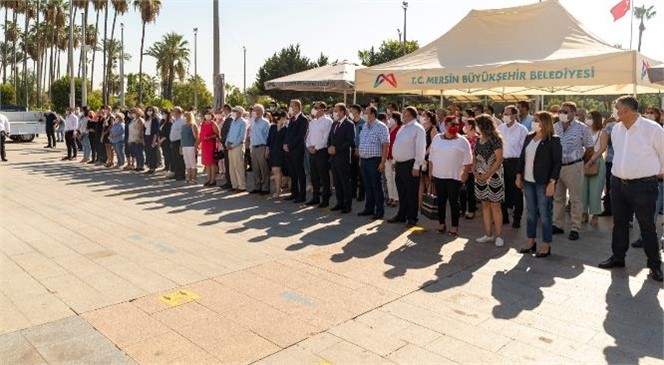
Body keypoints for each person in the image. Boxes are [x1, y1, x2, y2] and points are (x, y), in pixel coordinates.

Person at [598, 95, 664, 282]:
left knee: (646, 226)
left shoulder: (653, 129)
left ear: (627, 110)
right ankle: (618, 257)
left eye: (617, 108)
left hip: (644, 186)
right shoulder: (617, 129)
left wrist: (656, 172)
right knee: (619, 223)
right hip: (618, 183)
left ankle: (654, 265)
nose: (614, 111)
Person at [516, 111, 562, 258]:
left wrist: (552, 182)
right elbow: (522, 157)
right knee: (530, 213)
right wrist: (518, 175)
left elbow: (557, 163)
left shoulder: (553, 140)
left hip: (543, 182)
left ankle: (546, 243)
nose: (533, 122)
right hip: (528, 181)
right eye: (533, 120)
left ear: (545, 122)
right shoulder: (529, 137)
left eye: (537, 120)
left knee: (545, 214)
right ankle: (531, 241)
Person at [552, 102, 595, 241]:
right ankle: (557, 225)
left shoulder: (582, 128)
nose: (562, 113)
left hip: (574, 166)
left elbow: (589, 148)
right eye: (561, 111)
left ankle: (574, 227)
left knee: (576, 198)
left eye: (566, 111)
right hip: (557, 166)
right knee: (558, 197)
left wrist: (581, 162)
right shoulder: (555, 126)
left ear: (573, 113)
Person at [429, 116, 472, 236]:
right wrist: (430, 173)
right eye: (450, 124)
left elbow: (468, 160)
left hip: (454, 176)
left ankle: (454, 226)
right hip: (438, 175)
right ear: (446, 125)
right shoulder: (437, 138)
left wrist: (465, 174)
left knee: (454, 202)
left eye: (455, 124)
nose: (453, 127)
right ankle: (441, 223)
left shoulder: (463, 141)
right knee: (441, 201)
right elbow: (431, 157)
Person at [389, 107, 426, 227]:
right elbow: (396, 144)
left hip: (410, 164)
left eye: (404, 114)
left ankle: (412, 217)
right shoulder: (403, 128)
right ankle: (401, 214)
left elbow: (420, 148)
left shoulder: (418, 128)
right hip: (400, 164)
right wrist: (395, 160)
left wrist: (417, 166)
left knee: (411, 193)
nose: (402, 116)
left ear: (409, 115)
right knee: (402, 192)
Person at [474, 114, 506, 247]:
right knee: (485, 205)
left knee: (495, 206)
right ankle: (488, 234)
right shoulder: (479, 139)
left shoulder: (495, 139)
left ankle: (499, 236)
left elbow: (499, 160)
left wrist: (487, 174)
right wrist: (475, 170)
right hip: (480, 176)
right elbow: (475, 156)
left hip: (494, 177)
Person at [498, 105, 529, 228]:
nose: (504, 116)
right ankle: (504, 216)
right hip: (501, 162)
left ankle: (517, 218)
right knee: (501, 190)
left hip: (515, 162)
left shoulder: (522, 130)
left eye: (507, 114)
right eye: (504, 113)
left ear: (514, 115)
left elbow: (524, 149)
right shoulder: (500, 127)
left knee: (516, 191)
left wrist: (521, 168)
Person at [357, 106, 390, 220]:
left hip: (375, 160)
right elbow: (362, 143)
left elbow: (385, 145)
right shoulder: (365, 126)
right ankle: (369, 208)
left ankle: (379, 210)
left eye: (366, 113)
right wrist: (361, 159)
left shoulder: (381, 126)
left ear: (372, 114)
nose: (364, 114)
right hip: (365, 160)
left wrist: (382, 162)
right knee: (367, 186)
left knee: (376, 186)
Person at [328, 103, 356, 214]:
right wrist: (329, 147)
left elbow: (350, 141)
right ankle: (339, 202)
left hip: (343, 157)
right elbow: (330, 137)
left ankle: (347, 205)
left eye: (336, 111)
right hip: (333, 157)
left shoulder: (349, 124)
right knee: (337, 182)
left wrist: (337, 149)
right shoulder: (334, 123)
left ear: (343, 112)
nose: (334, 113)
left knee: (345, 182)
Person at [582, 111, 608, 225]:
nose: (587, 119)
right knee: (583, 190)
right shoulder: (584, 132)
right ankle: (584, 213)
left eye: (590, 117)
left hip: (596, 161)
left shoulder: (602, 132)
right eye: (587, 117)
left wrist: (591, 160)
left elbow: (602, 149)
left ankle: (595, 214)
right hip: (583, 160)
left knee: (595, 190)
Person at [306, 102, 333, 207]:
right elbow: (308, 136)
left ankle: (325, 199)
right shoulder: (312, 122)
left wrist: (316, 148)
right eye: (313, 107)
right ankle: (315, 197)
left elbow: (325, 138)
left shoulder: (328, 121)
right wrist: (309, 146)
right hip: (311, 151)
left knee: (324, 176)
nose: (314, 109)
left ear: (322, 109)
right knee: (314, 175)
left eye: (316, 108)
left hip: (321, 151)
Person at [283, 100, 308, 203]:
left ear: (297, 107)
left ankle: (302, 195)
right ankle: (294, 193)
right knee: (292, 173)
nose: (290, 108)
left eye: (292, 106)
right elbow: (288, 133)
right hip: (289, 150)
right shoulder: (292, 118)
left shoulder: (303, 119)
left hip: (297, 149)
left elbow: (300, 136)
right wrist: (285, 144)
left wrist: (290, 145)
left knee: (299, 173)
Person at [419, 110, 439, 210]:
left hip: (429, 157)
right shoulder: (422, 128)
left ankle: (430, 203)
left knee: (429, 180)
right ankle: (420, 204)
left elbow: (433, 144)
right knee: (421, 180)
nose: (421, 117)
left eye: (423, 116)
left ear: (429, 118)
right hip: (421, 157)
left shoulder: (433, 129)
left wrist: (424, 154)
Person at [460, 117, 479, 219]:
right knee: (461, 190)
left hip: (472, 169)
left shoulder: (478, 139)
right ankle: (462, 209)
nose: (464, 126)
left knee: (470, 191)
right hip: (461, 167)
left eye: (466, 124)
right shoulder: (462, 138)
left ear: (471, 126)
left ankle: (471, 210)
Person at [249, 104, 270, 194]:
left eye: (257, 110)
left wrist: (267, 149)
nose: (255, 112)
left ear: (261, 112)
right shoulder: (252, 122)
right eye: (254, 110)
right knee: (255, 168)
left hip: (262, 146)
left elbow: (268, 137)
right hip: (254, 147)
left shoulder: (265, 122)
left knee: (263, 168)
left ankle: (265, 187)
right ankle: (257, 186)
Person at [599, 117, 618, 216]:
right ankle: (608, 209)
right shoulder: (611, 126)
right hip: (610, 160)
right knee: (609, 186)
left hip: (623, 162)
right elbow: (608, 142)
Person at [226, 106, 248, 191]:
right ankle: (234, 185)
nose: (233, 112)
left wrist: (233, 145)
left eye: (235, 111)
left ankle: (241, 186)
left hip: (237, 146)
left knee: (238, 166)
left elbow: (241, 137)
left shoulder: (243, 122)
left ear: (240, 113)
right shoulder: (233, 122)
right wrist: (227, 143)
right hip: (230, 146)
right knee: (232, 167)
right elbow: (229, 133)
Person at [267, 111, 288, 198]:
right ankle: (279, 188)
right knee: (274, 170)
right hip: (273, 151)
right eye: (282, 117)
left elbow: (286, 140)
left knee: (277, 170)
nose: (283, 119)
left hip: (281, 152)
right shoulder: (272, 127)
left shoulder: (286, 129)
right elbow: (269, 140)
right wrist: (267, 150)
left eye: (285, 118)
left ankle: (278, 191)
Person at [385, 112, 402, 208]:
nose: (389, 119)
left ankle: (396, 198)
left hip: (395, 157)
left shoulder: (400, 129)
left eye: (391, 117)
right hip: (387, 156)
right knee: (388, 178)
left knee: (395, 178)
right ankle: (390, 197)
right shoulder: (388, 129)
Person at [349, 104, 366, 202]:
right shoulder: (350, 122)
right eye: (351, 110)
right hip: (350, 149)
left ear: (358, 112)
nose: (352, 112)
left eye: (353, 111)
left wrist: (359, 149)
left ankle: (361, 194)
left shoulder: (363, 123)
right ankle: (353, 192)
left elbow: (363, 137)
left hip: (360, 150)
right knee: (352, 173)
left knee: (361, 173)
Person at [200, 110, 220, 187]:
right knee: (207, 163)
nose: (207, 116)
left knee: (212, 163)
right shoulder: (203, 124)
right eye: (206, 114)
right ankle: (208, 179)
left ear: (212, 116)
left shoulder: (213, 124)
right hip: (204, 145)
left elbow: (217, 135)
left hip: (211, 144)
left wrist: (210, 137)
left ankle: (213, 179)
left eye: (209, 114)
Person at [180, 112, 200, 184]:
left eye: (187, 116)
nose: (185, 117)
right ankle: (188, 177)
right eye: (184, 116)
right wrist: (181, 147)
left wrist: (196, 146)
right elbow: (182, 138)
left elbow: (197, 137)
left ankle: (194, 178)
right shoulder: (183, 126)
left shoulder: (193, 125)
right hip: (184, 146)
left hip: (191, 146)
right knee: (187, 162)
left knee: (192, 162)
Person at [219, 104, 234, 189]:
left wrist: (224, 140)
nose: (223, 112)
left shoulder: (230, 119)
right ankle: (228, 181)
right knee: (226, 164)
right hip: (225, 143)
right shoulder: (227, 118)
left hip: (227, 143)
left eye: (224, 110)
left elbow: (228, 132)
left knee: (228, 164)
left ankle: (230, 182)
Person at [169, 107, 186, 181]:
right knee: (175, 158)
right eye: (173, 112)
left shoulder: (182, 121)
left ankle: (181, 174)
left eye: (175, 112)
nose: (173, 113)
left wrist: (181, 144)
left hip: (179, 141)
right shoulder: (175, 121)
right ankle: (176, 173)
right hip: (173, 142)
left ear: (179, 113)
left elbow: (182, 133)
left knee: (180, 159)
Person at [144, 106, 160, 174]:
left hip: (152, 137)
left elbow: (156, 130)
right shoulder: (147, 119)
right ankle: (150, 166)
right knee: (148, 152)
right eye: (148, 110)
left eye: (151, 110)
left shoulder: (155, 119)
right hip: (147, 136)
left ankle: (153, 167)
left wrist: (154, 140)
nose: (149, 112)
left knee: (153, 152)